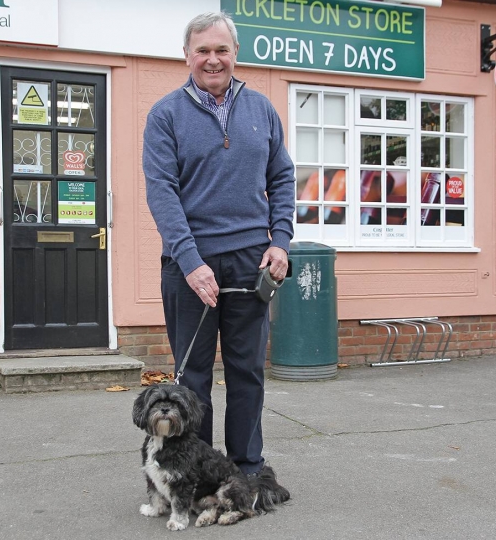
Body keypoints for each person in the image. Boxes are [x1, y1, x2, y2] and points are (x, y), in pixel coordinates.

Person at [142, 11, 295, 477]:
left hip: (253, 261)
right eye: (203, 50)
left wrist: (281, 242)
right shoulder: (165, 115)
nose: (213, 59)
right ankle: (195, 471)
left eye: (221, 50)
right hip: (190, 264)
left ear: (235, 54)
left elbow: (282, 177)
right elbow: (161, 193)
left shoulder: (262, 109)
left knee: (247, 374)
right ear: (187, 55)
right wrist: (190, 261)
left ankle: (247, 468)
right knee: (193, 380)